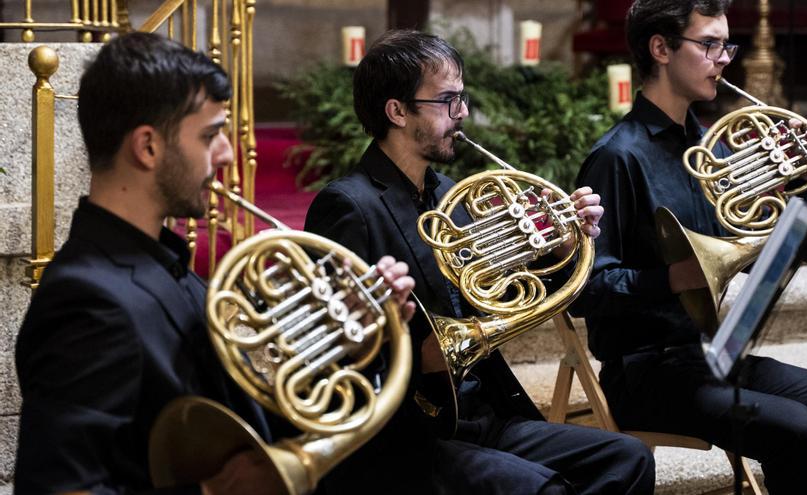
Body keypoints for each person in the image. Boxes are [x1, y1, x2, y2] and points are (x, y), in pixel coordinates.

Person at [14, 32, 416, 495]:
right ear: (147, 147)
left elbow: (236, 400)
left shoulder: (164, 265)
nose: (226, 153)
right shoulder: (87, 302)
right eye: (210, 135)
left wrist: (348, 335)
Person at [304, 29, 655, 495]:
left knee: (626, 458)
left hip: (483, 414)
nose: (463, 113)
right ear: (398, 111)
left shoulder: (450, 193)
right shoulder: (348, 205)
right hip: (411, 432)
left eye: (462, 98)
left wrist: (561, 248)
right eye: (448, 100)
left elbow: (509, 288)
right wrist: (413, 359)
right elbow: (328, 351)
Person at [574, 1, 807, 494]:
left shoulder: (711, 152)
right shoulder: (616, 157)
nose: (724, 59)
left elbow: (766, 249)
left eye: (726, 45)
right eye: (709, 44)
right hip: (647, 371)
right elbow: (588, 290)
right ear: (661, 49)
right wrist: (673, 278)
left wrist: (806, 181)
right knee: (795, 426)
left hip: (714, 355)